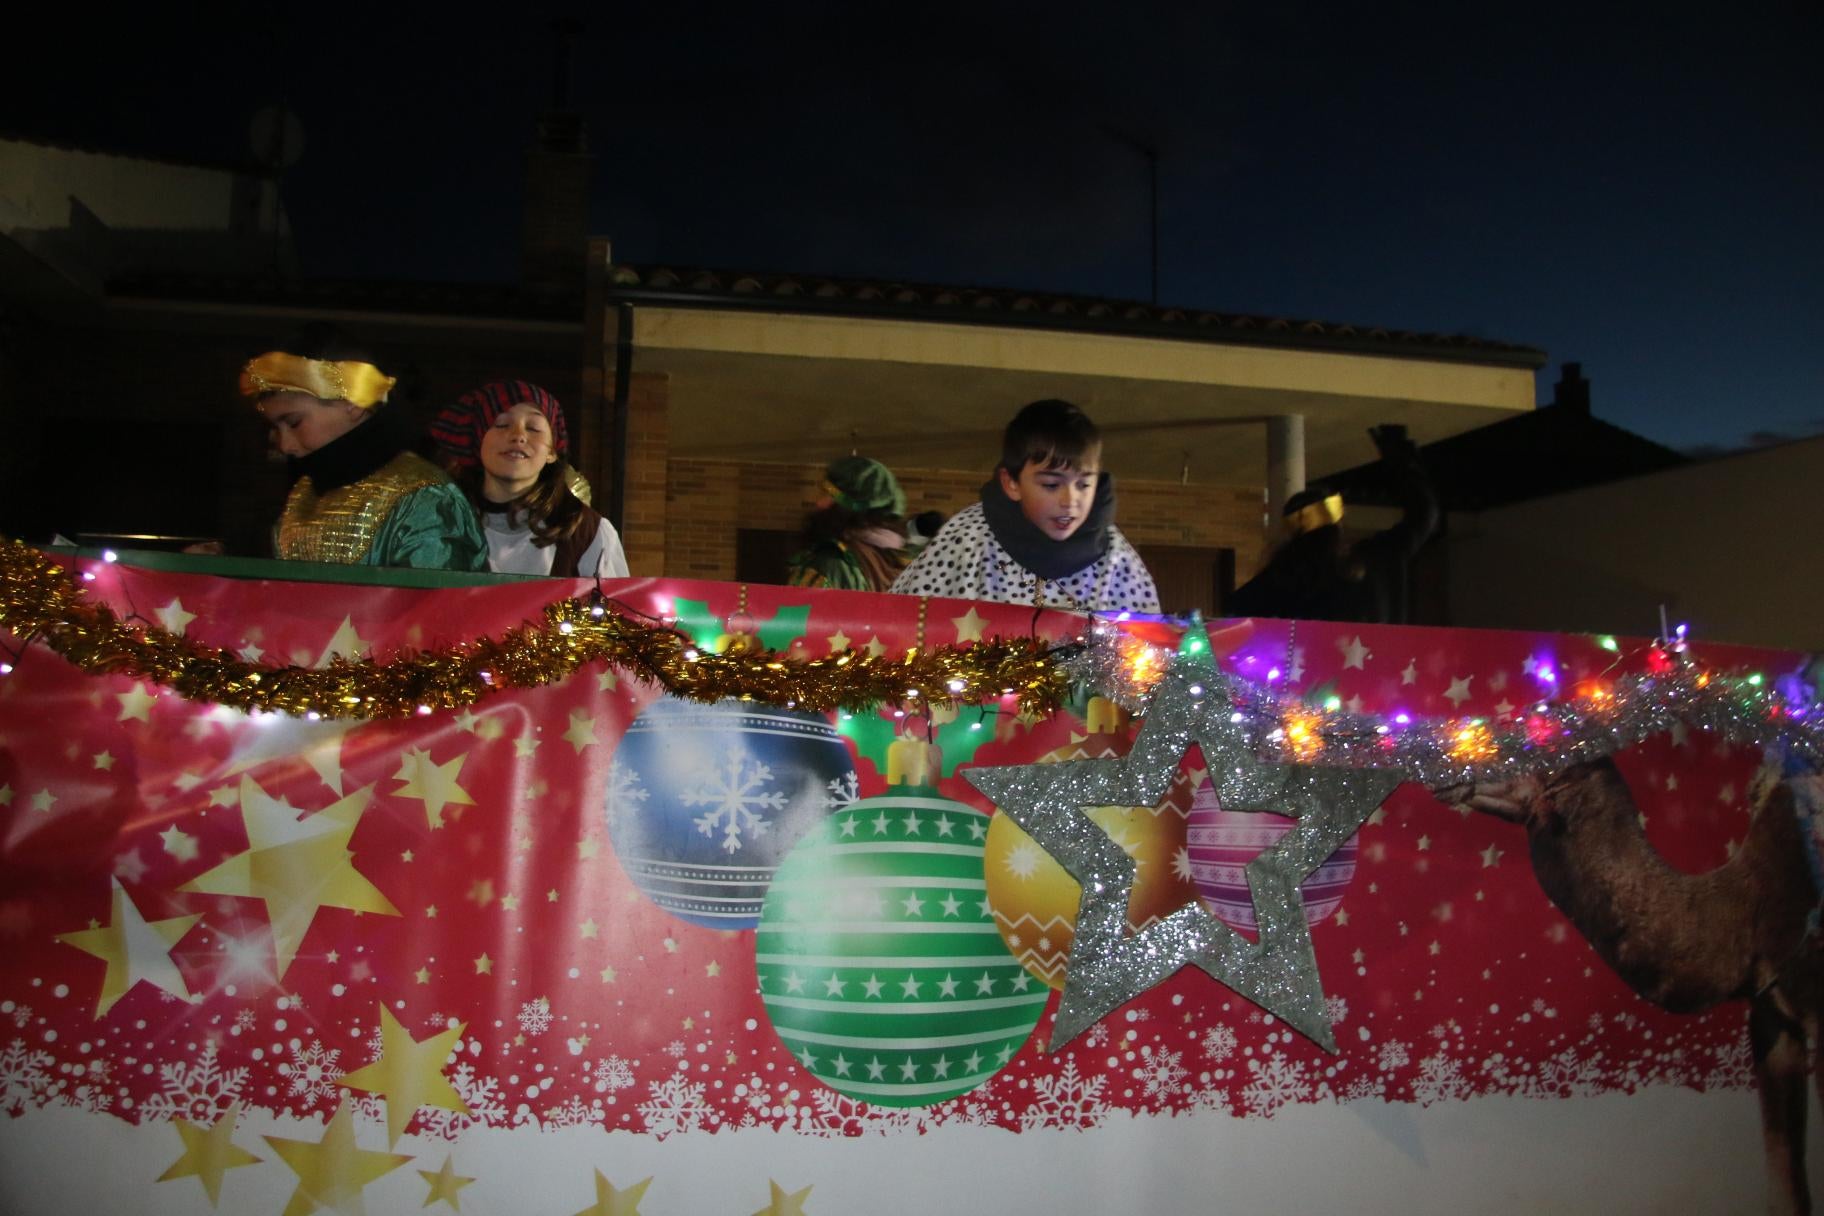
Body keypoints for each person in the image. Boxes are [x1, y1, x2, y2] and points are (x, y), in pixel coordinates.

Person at [241, 326, 488, 570]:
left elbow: (435, 606)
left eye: (294, 422)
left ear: (352, 404)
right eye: (274, 428)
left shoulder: (425, 498)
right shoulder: (304, 494)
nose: (284, 444)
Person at [889, 399, 1158, 612]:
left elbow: (1147, 655)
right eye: (1052, 485)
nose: (1070, 502)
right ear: (1012, 484)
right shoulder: (965, 539)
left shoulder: (1117, 558)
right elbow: (906, 619)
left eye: (1084, 485)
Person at [1225, 424, 1440, 623]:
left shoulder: (1282, 577)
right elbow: (1424, 515)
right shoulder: (1375, 558)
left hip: (1306, 664)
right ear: (1337, 525)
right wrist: (1402, 461)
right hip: (1381, 662)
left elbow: (1233, 609)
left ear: (1294, 533)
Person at [429, 380, 629, 579]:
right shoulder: (438, 524)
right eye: (502, 424)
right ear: (478, 442)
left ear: (552, 451)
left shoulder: (589, 534)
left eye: (533, 428)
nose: (518, 436)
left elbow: (618, 607)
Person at [786, 456, 910, 592]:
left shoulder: (830, 563)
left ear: (847, 508)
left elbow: (796, 611)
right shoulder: (904, 565)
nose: (819, 503)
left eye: (828, 495)